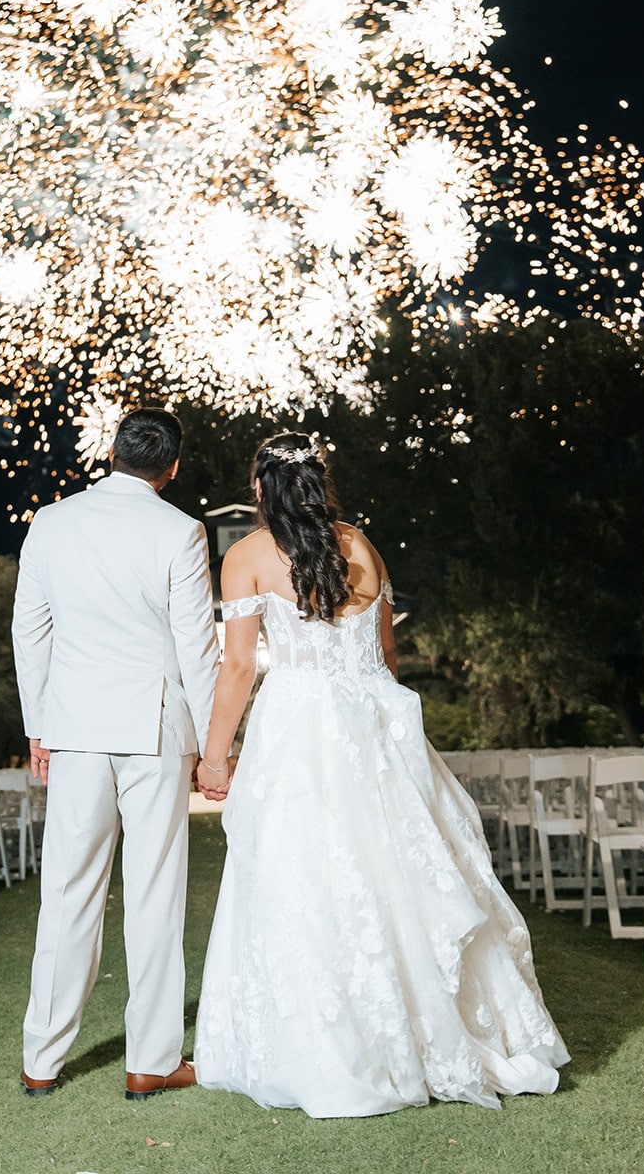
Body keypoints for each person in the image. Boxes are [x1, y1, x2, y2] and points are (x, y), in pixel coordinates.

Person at [193, 432, 568, 1119]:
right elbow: (386, 652)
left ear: (260, 488)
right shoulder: (361, 546)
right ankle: (435, 1037)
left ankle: (338, 1051)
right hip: (375, 727)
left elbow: (239, 668)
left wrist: (214, 755)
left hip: (298, 731)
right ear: (318, 480)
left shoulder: (245, 557)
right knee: (401, 874)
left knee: (305, 878)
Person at [13, 406, 220, 1100]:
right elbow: (197, 646)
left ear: (111, 451)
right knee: (155, 893)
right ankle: (150, 1061)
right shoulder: (181, 530)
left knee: (67, 892)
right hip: (154, 725)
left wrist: (36, 727)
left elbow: (29, 631)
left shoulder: (51, 521)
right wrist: (212, 743)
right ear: (172, 467)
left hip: (72, 723)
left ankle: (40, 1060)